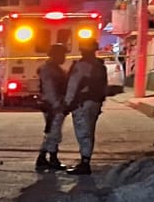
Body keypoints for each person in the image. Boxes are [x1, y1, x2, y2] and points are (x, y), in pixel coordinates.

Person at [62, 34, 110, 176]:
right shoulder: (100, 66)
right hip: (95, 103)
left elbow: (73, 86)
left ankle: (84, 163)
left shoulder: (81, 66)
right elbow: (104, 87)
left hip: (82, 104)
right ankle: (86, 160)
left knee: (83, 133)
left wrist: (67, 104)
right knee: (90, 132)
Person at [35, 40, 70, 172]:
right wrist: (57, 105)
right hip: (52, 106)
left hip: (53, 104)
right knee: (53, 133)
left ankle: (46, 158)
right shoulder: (49, 70)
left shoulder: (53, 68)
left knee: (53, 132)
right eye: (62, 54)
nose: (64, 57)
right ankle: (48, 159)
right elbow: (50, 90)